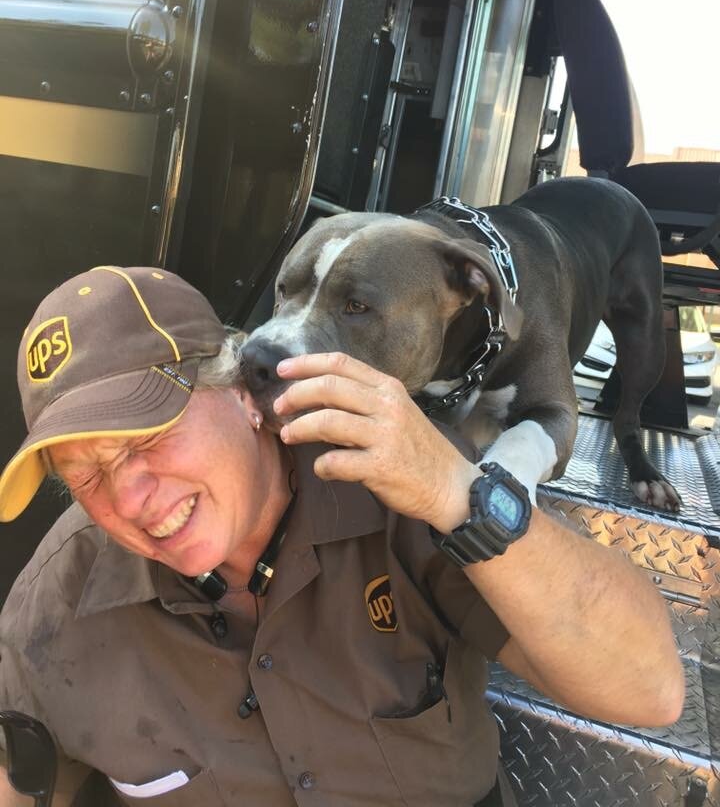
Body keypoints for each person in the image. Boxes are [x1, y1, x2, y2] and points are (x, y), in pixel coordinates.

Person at [0, 265, 684, 807]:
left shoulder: (400, 490)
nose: (128, 501)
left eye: (146, 438)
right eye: (86, 476)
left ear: (241, 392)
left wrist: (458, 494)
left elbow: (648, 689)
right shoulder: (58, 597)